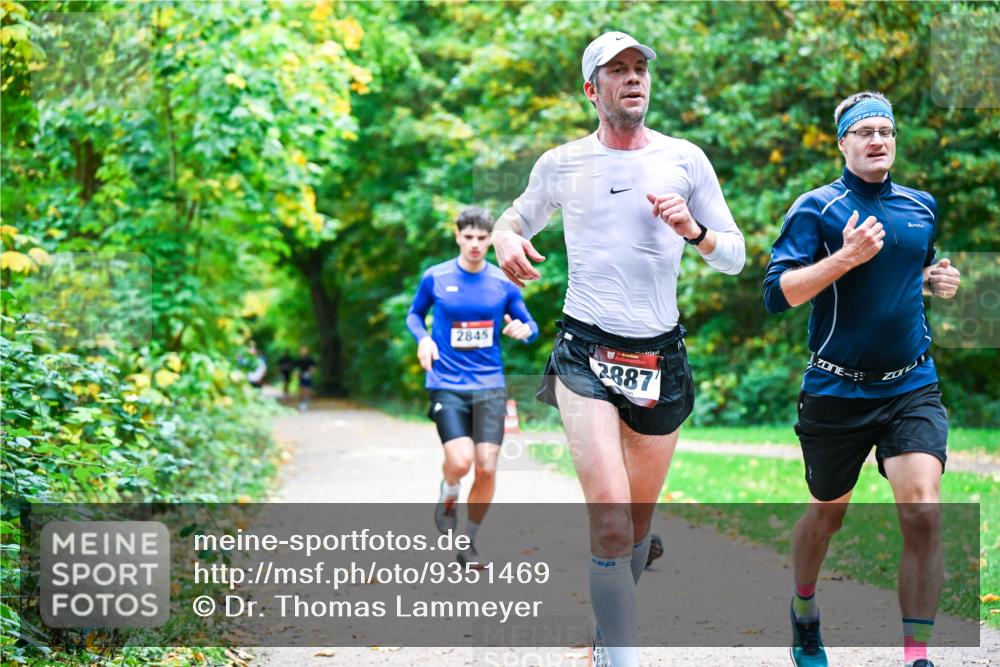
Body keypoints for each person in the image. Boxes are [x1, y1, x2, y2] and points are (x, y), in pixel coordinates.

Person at [491, 31, 745, 667]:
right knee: (609, 521)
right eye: (617, 71)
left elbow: (737, 258)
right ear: (591, 89)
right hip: (586, 350)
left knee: (633, 528)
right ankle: (621, 658)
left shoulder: (686, 159)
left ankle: (609, 632)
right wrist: (502, 236)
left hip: (661, 354)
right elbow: (517, 217)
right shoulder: (562, 164)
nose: (633, 79)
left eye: (640, 69)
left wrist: (695, 231)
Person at [763, 91, 961, 667]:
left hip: (910, 385)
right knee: (828, 514)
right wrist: (844, 257)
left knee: (922, 509)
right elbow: (778, 294)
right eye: (865, 131)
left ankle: (916, 655)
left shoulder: (920, 207)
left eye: (886, 131)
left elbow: (904, 273)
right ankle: (804, 611)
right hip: (836, 389)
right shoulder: (817, 209)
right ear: (843, 142)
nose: (878, 140)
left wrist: (933, 280)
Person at [406, 206, 539, 567]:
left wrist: (524, 330)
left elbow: (531, 325)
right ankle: (449, 491)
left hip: (489, 384)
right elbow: (414, 314)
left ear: (489, 240)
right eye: (469, 237)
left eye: (483, 238)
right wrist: (423, 339)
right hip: (446, 382)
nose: (476, 245)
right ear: (457, 236)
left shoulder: (501, 283)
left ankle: (468, 541)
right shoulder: (436, 277)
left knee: (487, 467)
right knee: (461, 462)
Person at [297, 346, 316, 411]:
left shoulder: (310, 360)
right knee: (302, 389)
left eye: (304, 350)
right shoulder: (299, 360)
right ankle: (302, 403)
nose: (303, 352)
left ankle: (305, 401)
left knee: (307, 390)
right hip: (302, 376)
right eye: (302, 351)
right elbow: (297, 369)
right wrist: (298, 374)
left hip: (308, 376)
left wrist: (311, 373)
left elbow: (313, 368)